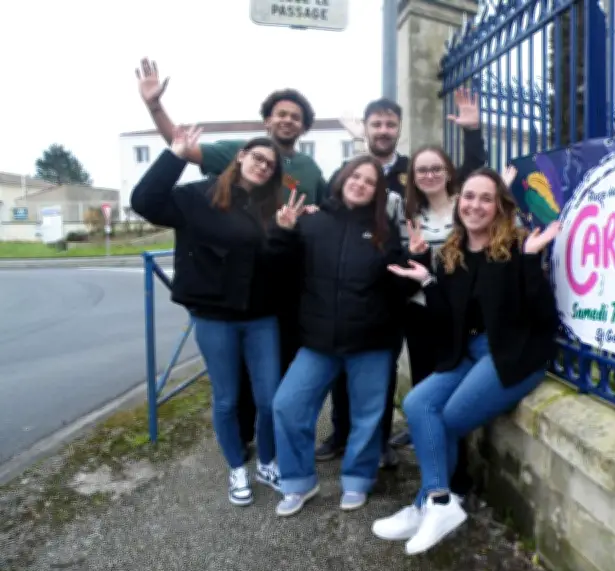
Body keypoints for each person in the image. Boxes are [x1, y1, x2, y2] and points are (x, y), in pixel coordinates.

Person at [135, 57, 323, 458]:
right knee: (233, 386)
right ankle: (241, 444)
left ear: (304, 126)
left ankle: (274, 447)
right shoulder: (232, 156)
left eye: (296, 117)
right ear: (267, 122)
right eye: (281, 114)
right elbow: (182, 146)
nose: (288, 120)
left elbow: (322, 209)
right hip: (224, 300)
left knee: (274, 378)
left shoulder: (308, 168)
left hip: (279, 289)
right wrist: (155, 108)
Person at [371, 167, 560, 554]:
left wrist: (530, 261)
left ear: (499, 206)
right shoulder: (451, 253)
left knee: (450, 417)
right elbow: (447, 318)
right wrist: (427, 280)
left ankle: (431, 503)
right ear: (459, 204)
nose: (475, 205)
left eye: (486, 198)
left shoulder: (517, 247)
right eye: (469, 197)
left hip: (511, 354)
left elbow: (544, 318)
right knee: (417, 403)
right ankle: (437, 502)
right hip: (468, 352)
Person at [317, 90, 487, 477]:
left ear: (399, 128)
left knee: (414, 377)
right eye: (375, 124)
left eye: (390, 124)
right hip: (387, 293)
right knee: (367, 368)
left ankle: (413, 445)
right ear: (365, 129)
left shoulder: (416, 176)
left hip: (432, 298)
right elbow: (340, 202)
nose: (383, 130)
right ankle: (345, 433)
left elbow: (469, 177)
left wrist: (473, 132)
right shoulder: (357, 172)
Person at [130, 127, 293, 506]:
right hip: (214, 317)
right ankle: (236, 468)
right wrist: (175, 156)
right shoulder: (197, 196)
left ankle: (266, 463)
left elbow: (276, 263)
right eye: (257, 157)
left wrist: (286, 232)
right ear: (241, 156)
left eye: (270, 165)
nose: (262, 166)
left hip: (261, 317)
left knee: (270, 398)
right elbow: (145, 201)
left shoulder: (270, 208)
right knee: (227, 399)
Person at [265, 155, 427, 517]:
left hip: (371, 342)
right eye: (356, 176)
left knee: (368, 416)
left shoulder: (383, 232)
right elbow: (281, 274)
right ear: (342, 179)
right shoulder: (312, 222)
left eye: (370, 182)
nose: (360, 185)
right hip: (318, 341)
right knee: (288, 406)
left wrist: (418, 258)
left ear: (377, 192)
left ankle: (357, 478)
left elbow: (399, 288)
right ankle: (298, 482)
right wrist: (282, 233)